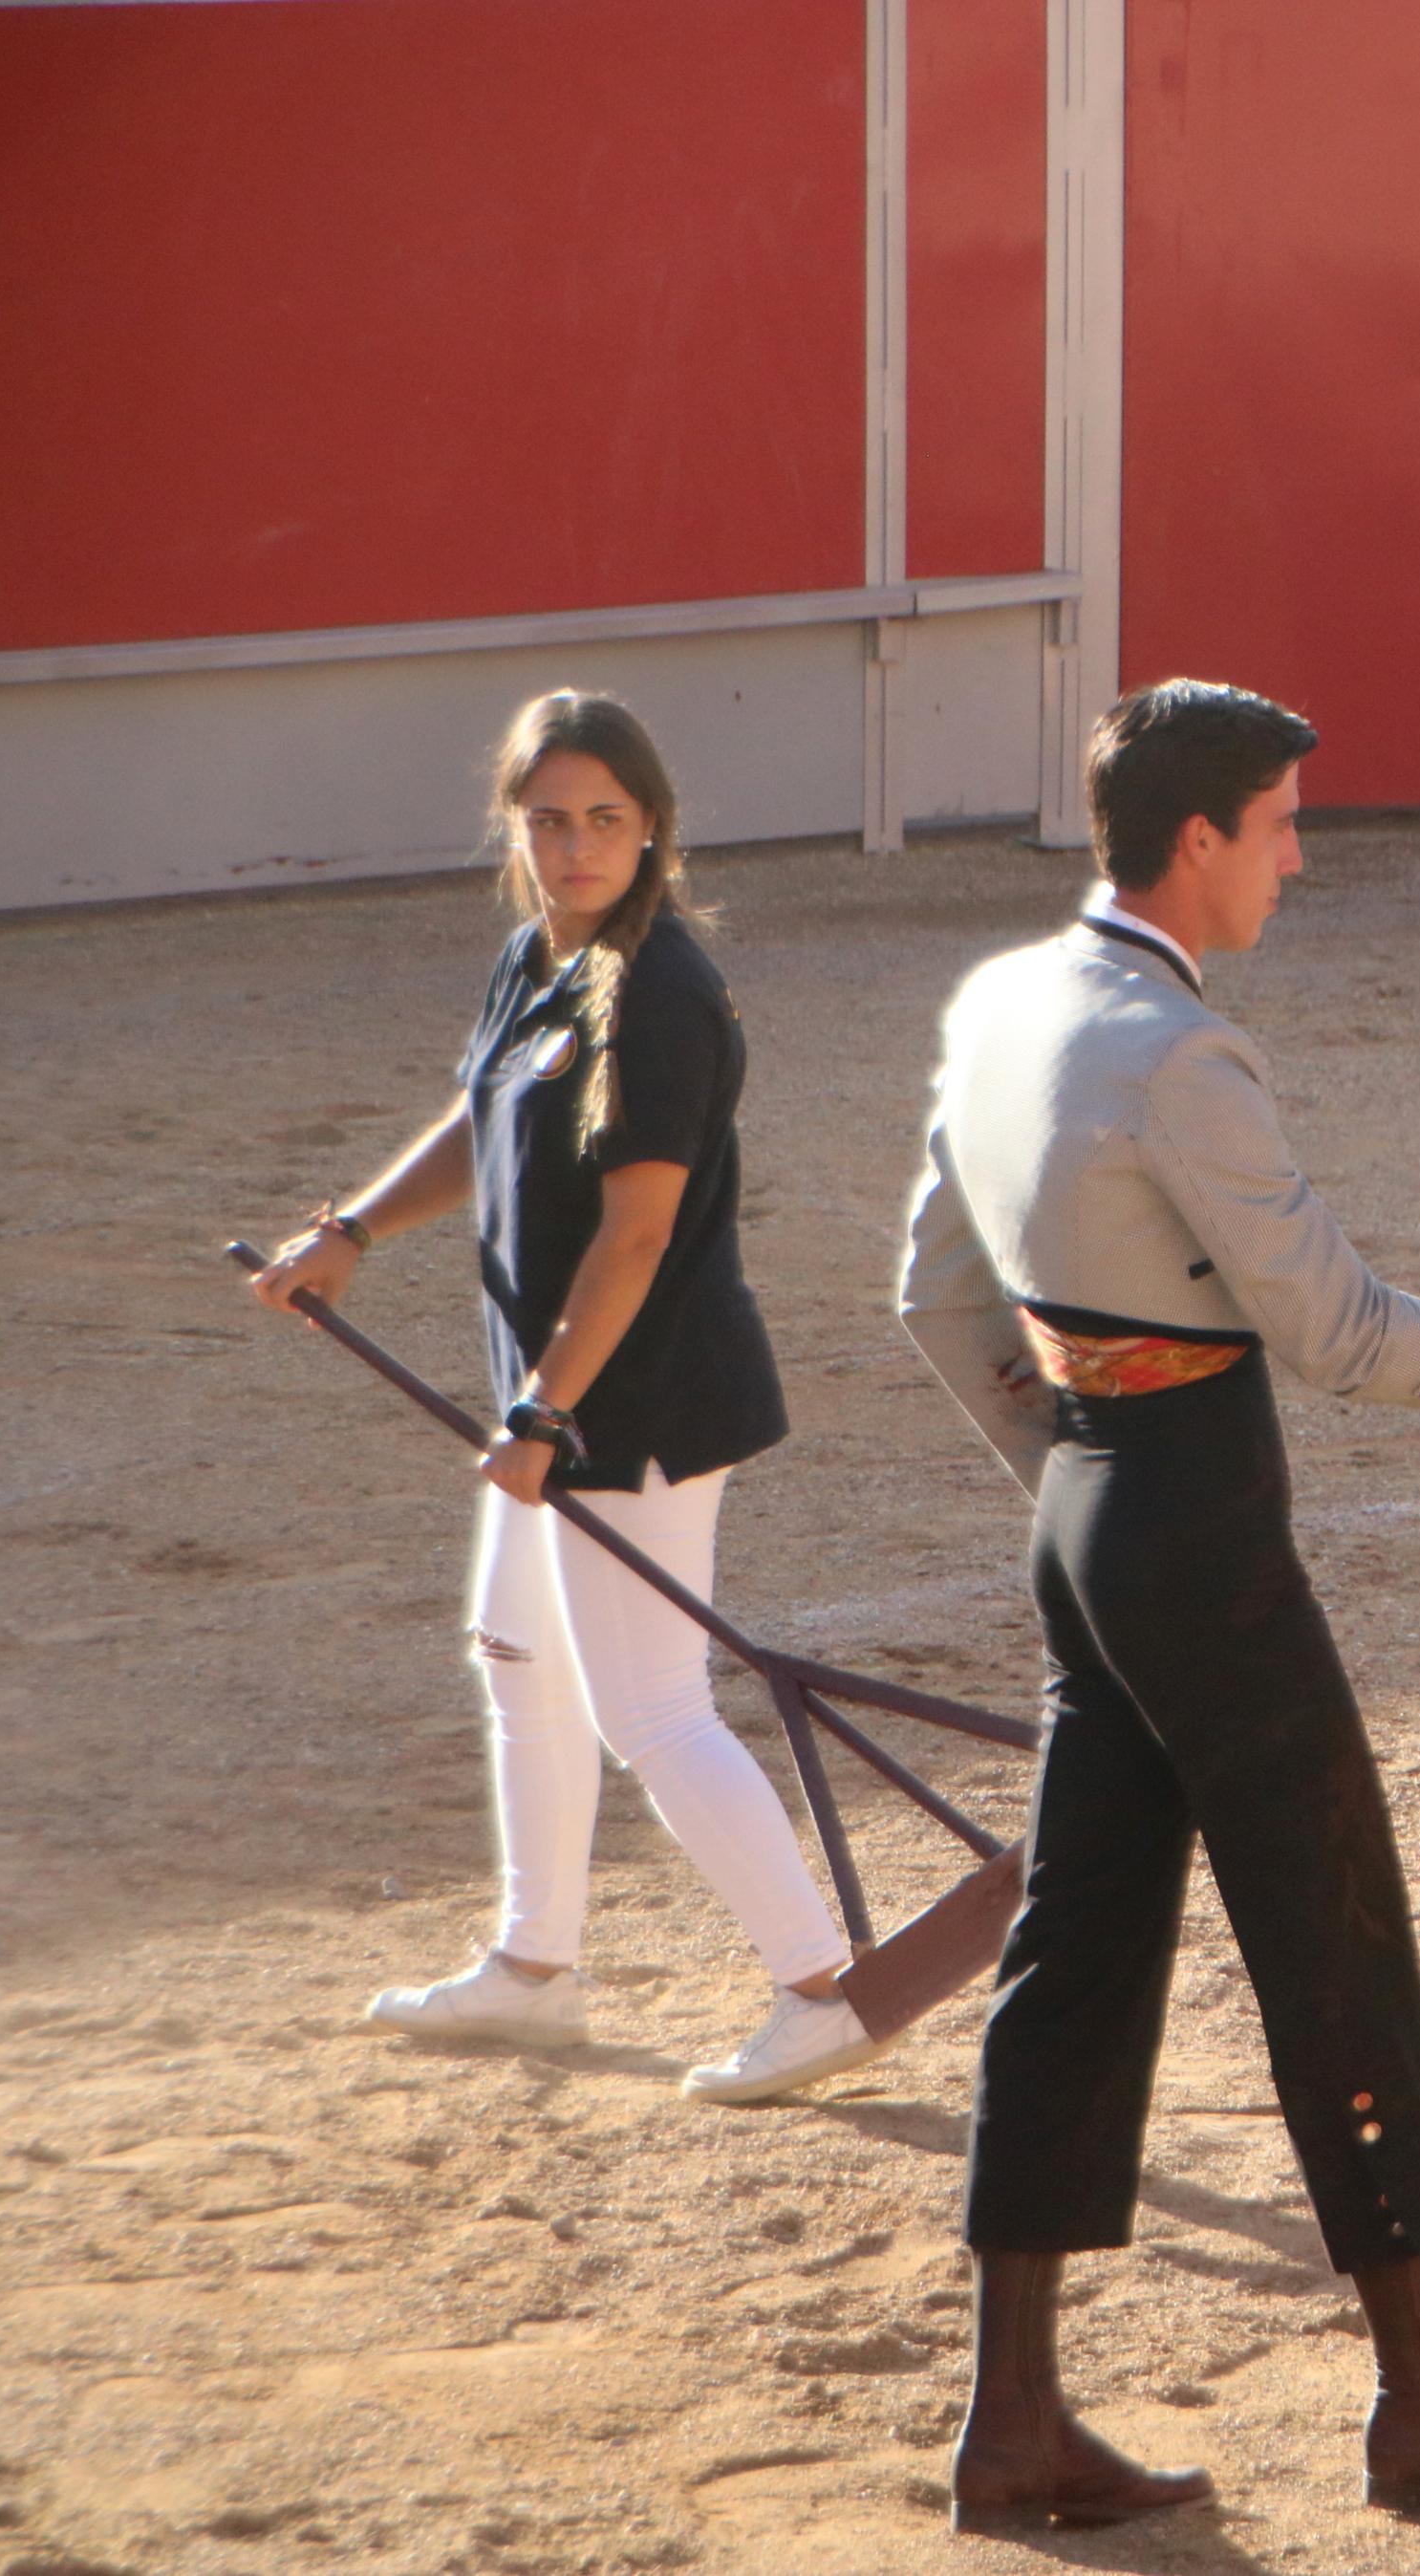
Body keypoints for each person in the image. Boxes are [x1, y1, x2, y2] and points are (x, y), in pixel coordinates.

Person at [896, 679, 1420, 2533]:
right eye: (1279, 824)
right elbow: (1337, 1331)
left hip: (1094, 1515)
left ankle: (1012, 2418)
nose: (1297, 855)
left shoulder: (1004, 1006)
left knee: (1078, 1950)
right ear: (1199, 841)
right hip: (1195, 1536)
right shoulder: (1183, 1057)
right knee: (1332, 1930)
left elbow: (937, 1301)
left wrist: (1080, 1473)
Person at [247, 689, 883, 2108]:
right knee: (514, 1655)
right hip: (561, 1396)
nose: (576, 844)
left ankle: (820, 1990)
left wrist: (544, 1414)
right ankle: (537, 1969)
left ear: (650, 825)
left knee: (652, 1708)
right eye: (549, 821)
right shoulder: (540, 957)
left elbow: (638, 1233)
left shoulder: (661, 992)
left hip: (634, 1398)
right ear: (516, 828)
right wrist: (349, 1232)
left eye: (603, 819)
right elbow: (484, 1119)